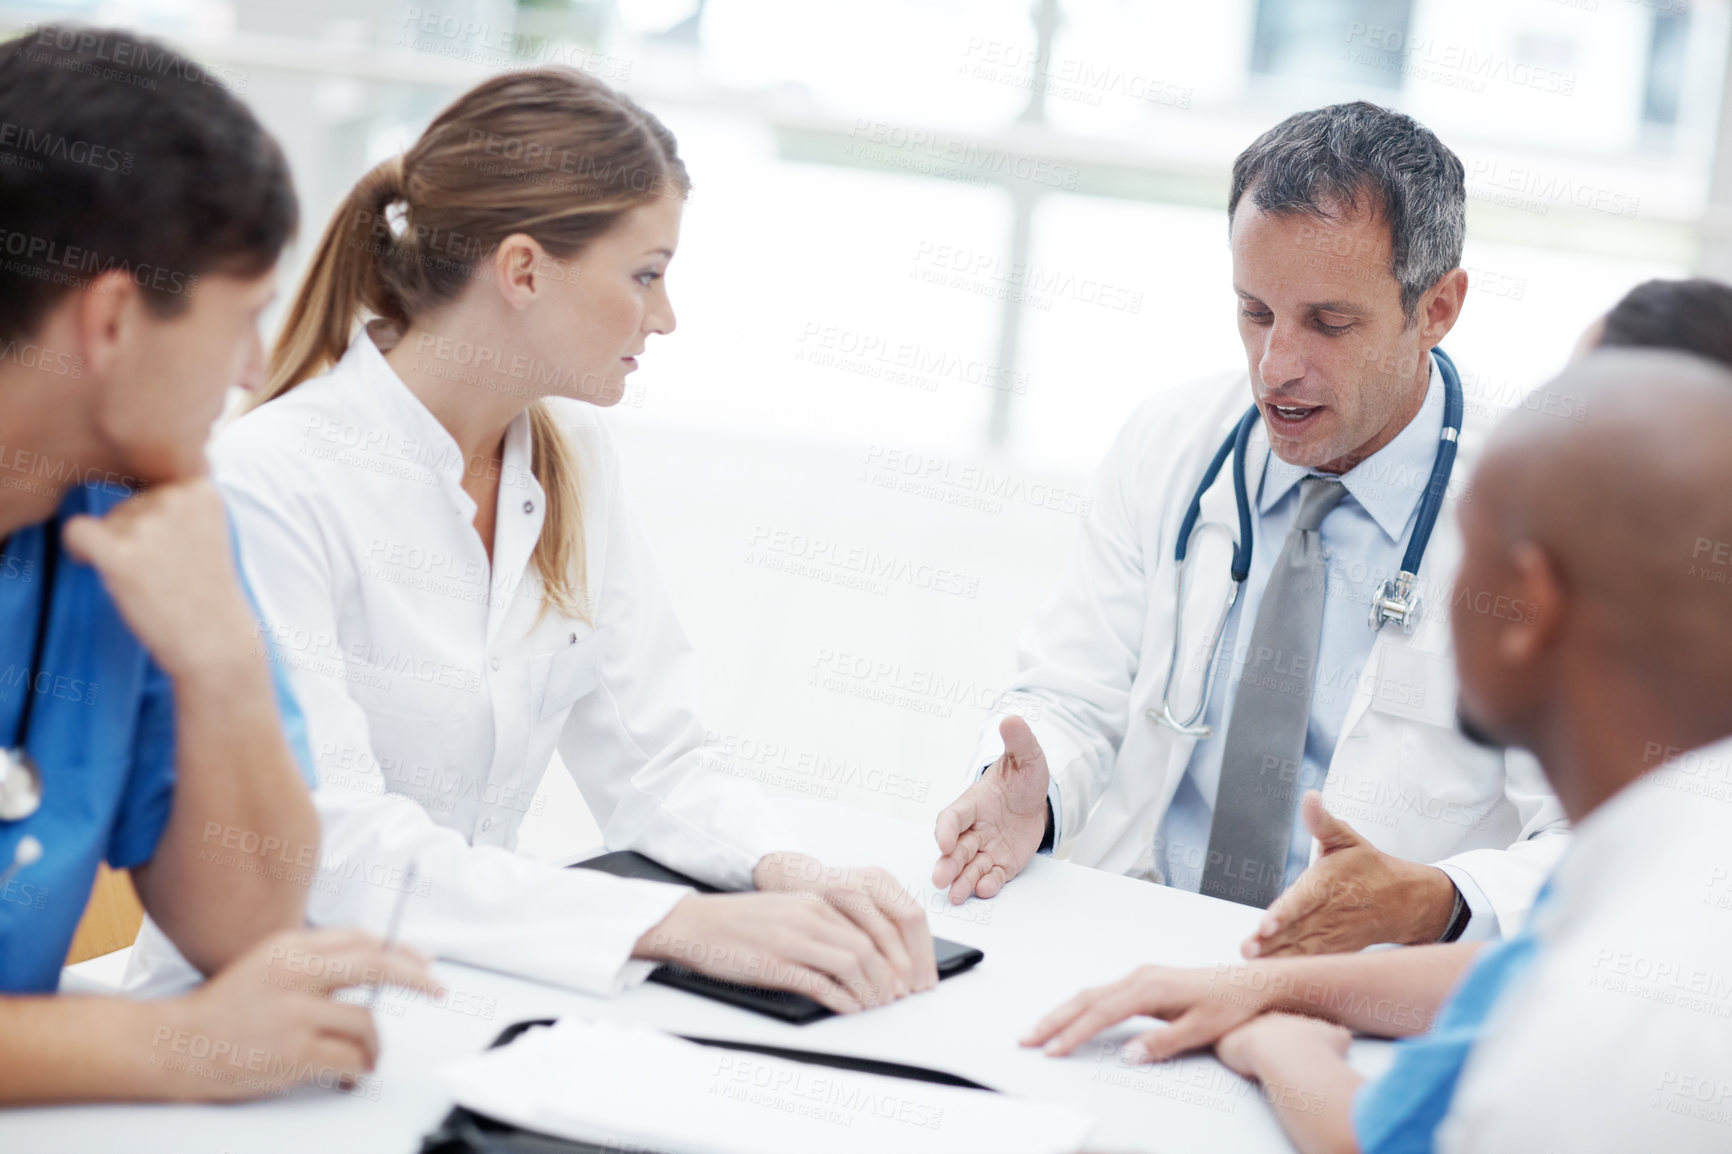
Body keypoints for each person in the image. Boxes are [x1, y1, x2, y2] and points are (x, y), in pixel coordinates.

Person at [126, 67, 937, 1012]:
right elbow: (330, 841)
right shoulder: (272, 480)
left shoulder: (572, 456)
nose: (665, 317)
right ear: (521, 271)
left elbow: (655, 756)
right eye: (645, 275)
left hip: (458, 995)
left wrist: (782, 869)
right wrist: (665, 924)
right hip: (250, 1026)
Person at [1024, 348, 1732, 1154]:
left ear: (1527, 608)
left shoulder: (1604, 1041)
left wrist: (1279, 1042)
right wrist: (1270, 994)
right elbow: (1509, 971)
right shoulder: (1670, 856)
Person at [932, 101, 1567, 957]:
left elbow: (1592, 844)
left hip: (1369, 1001)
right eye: (1255, 312)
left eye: (1329, 323)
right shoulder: (1168, 442)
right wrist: (1032, 795)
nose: (1277, 368)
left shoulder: (1546, 526)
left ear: (1439, 306)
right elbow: (1070, 696)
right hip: (1137, 940)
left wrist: (1438, 899)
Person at [0, 26, 431, 1104]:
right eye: (239, 321)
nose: (250, 371)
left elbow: (243, 923)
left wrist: (224, 660)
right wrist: (172, 1047)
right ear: (111, 317)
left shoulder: (147, 514)